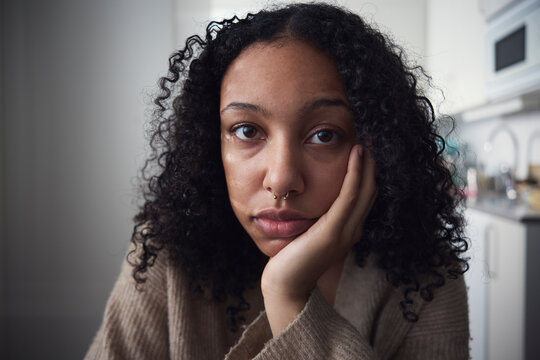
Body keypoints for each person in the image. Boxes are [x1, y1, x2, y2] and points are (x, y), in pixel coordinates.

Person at [86, 3, 470, 359]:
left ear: (376, 146)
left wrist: (289, 299)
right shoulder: (166, 255)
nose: (282, 180)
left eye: (324, 135)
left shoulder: (426, 278)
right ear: (209, 145)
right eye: (247, 130)